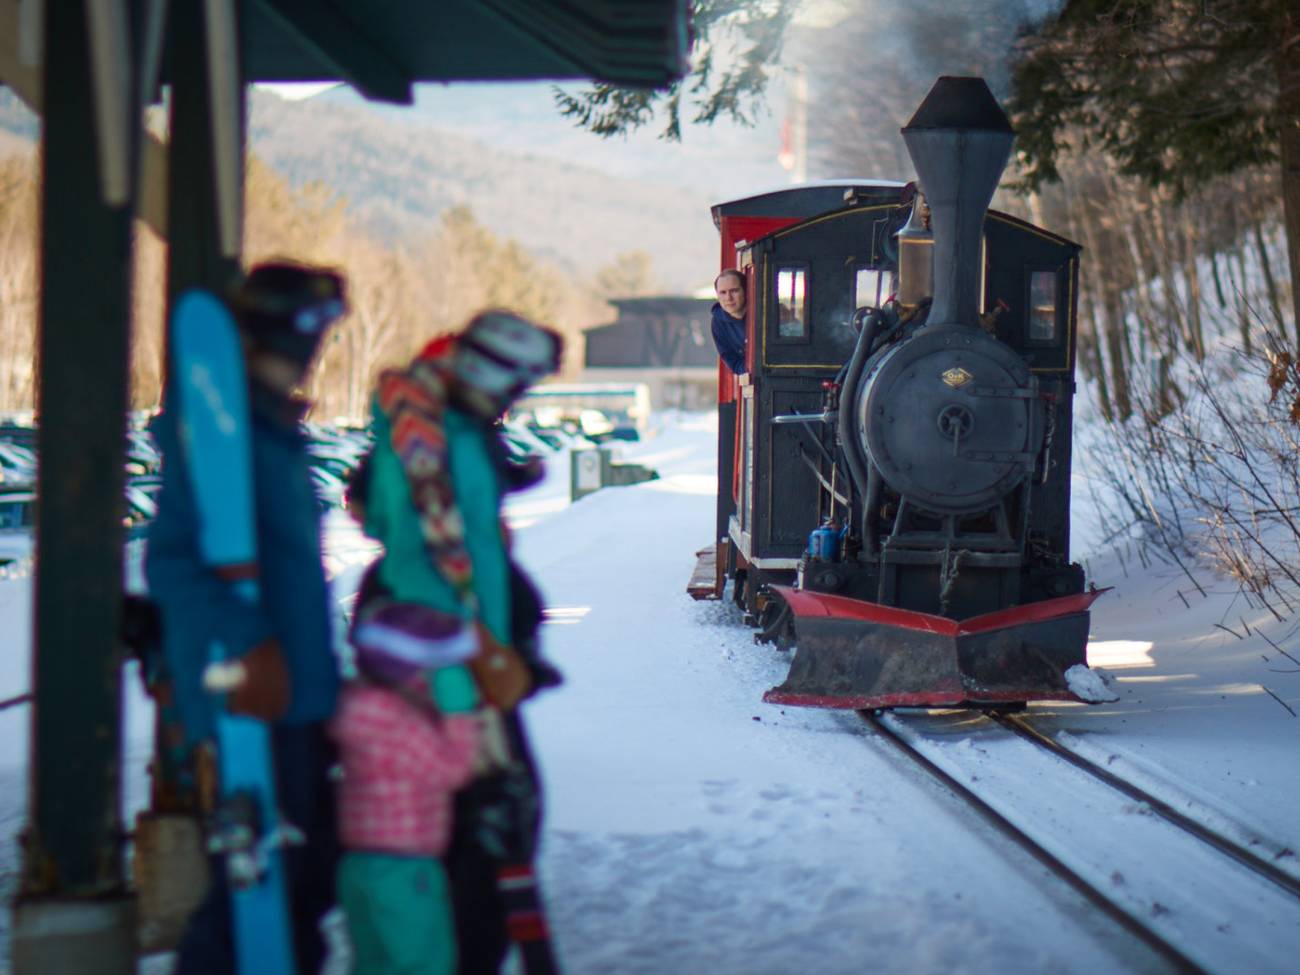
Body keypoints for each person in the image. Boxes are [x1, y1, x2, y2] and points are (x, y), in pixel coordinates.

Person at [145, 261, 347, 975]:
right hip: (251, 689)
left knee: (308, 872)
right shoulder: (217, 434)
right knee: (259, 885)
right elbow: (171, 562)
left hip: (301, 686)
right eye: (306, 332)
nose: (312, 351)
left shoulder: (273, 431)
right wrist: (249, 643)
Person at [349, 310, 563, 974]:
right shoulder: (437, 440)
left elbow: (393, 523)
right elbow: (425, 569)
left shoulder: (437, 426)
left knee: (489, 840)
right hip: (447, 681)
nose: (514, 399)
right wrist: (473, 672)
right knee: (471, 857)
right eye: (515, 385)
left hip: (465, 666)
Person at [332, 605, 482, 975]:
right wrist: (458, 714)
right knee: (422, 963)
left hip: (362, 864)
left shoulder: (360, 704)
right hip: (405, 865)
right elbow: (452, 770)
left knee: (374, 963)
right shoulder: (397, 717)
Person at [711, 269, 748, 375]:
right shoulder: (717, 323)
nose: (728, 298)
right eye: (723, 292)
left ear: (745, 291)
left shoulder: (764, 312)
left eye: (734, 291)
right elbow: (733, 362)